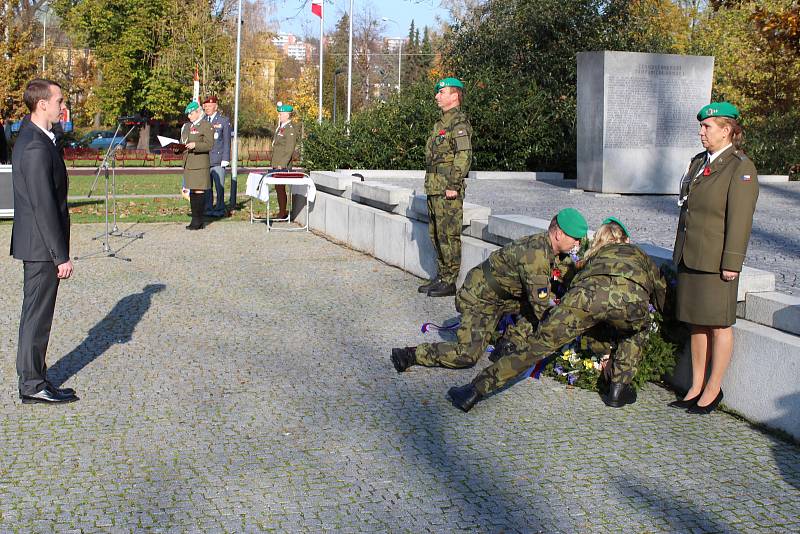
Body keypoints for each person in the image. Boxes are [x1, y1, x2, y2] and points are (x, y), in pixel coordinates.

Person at [447, 218, 667, 413]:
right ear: (626, 240)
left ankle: (473, 391)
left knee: (536, 347)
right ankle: (619, 388)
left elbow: (578, 291)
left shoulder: (595, 257)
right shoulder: (640, 254)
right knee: (637, 330)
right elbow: (661, 292)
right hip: (631, 301)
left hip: (585, 300)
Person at [391, 208, 588, 372]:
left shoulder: (549, 247)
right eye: (576, 239)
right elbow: (542, 307)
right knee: (466, 356)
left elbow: (565, 271)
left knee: (539, 305)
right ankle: (411, 354)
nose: (578, 244)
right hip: (479, 298)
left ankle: (507, 344)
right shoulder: (535, 256)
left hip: (503, 297)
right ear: (559, 234)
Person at [670, 102, 759, 414]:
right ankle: (696, 385)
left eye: (708, 127)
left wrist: (732, 262)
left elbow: (740, 219)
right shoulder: (698, 162)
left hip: (717, 261)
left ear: (727, 130)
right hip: (690, 255)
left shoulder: (739, 167)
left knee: (719, 325)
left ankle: (713, 388)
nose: (701, 132)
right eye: (702, 126)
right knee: (697, 323)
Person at [10, 79, 78, 404]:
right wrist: (60, 255)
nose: (62, 106)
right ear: (42, 104)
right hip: (41, 248)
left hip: (37, 246)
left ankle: (35, 377)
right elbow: (43, 206)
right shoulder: (35, 146)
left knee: (34, 315)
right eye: (59, 101)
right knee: (36, 317)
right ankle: (32, 384)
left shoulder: (36, 138)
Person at [418, 77, 473, 298]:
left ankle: (450, 280)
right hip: (434, 187)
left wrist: (453, 184)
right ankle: (441, 276)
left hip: (447, 189)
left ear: (454, 95)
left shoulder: (458, 123)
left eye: (442, 92)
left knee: (449, 234)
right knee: (436, 233)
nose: (437, 96)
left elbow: (464, 155)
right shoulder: (440, 123)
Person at [181, 100, 214, 230]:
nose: (189, 116)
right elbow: (183, 142)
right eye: (188, 114)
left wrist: (196, 145)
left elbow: (209, 144)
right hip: (189, 163)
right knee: (192, 192)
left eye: (191, 113)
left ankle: (198, 221)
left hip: (200, 163)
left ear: (198, 112)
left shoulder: (206, 125)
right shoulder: (187, 127)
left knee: (198, 191)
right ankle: (195, 220)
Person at [202, 96, 232, 217]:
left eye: (209, 106)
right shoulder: (203, 120)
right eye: (205, 106)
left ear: (215, 106)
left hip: (218, 159)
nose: (207, 108)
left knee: (219, 186)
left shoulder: (223, 121)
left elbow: (226, 141)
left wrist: (226, 158)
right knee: (207, 187)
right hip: (205, 159)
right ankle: (208, 208)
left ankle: (219, 208)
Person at [270, 102, 298, 220]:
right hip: (277, 163)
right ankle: (282, 211)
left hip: (282, 164)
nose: (279, 116)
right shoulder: (281, 127)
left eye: (281, 114)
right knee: (278, 188)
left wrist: (282, 164)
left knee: (281, 188)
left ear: (287, 115)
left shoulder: (289, 129)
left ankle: (282, 212)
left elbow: (289, 149)